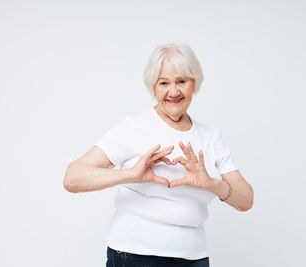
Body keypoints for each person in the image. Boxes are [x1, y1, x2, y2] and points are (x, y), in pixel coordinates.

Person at [63, 42, 254, 267]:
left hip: (193, 258)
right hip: (134, 256)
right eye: (164, 83)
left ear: (195, 83)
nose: (173, 92)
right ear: (153, 86)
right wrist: (131, 175)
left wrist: (211, 184)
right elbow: (72, 178)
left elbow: (246, 200)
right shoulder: (134, 128)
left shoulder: (210, 137)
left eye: (181, 81)